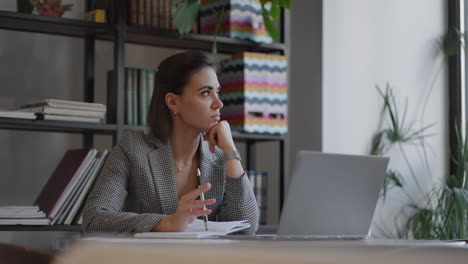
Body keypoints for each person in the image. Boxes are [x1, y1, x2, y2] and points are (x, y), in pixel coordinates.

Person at [82, 51, 259, 234]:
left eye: (217, 92)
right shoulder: (134, 147)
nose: (219, 103)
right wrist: (167, 223)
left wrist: (231, 151)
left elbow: (247, 229)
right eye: (206, 93)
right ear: (172, 102)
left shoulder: (222, 156)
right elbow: (94, 219)